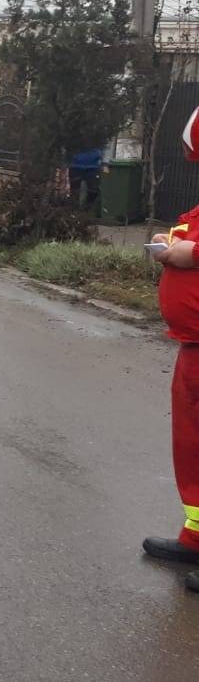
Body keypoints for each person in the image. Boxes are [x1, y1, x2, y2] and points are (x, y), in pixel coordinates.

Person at [146, 117, 199, 593]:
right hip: (191, 344)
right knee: (191, 446)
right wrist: (173, 240)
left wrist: (191, 252)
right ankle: (195, 536)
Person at [69, 147, 103, 212]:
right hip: (75, 166)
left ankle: (87, 210)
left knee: (94, 191)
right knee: (74, 192)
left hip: (93, 167)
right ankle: (74, 211)